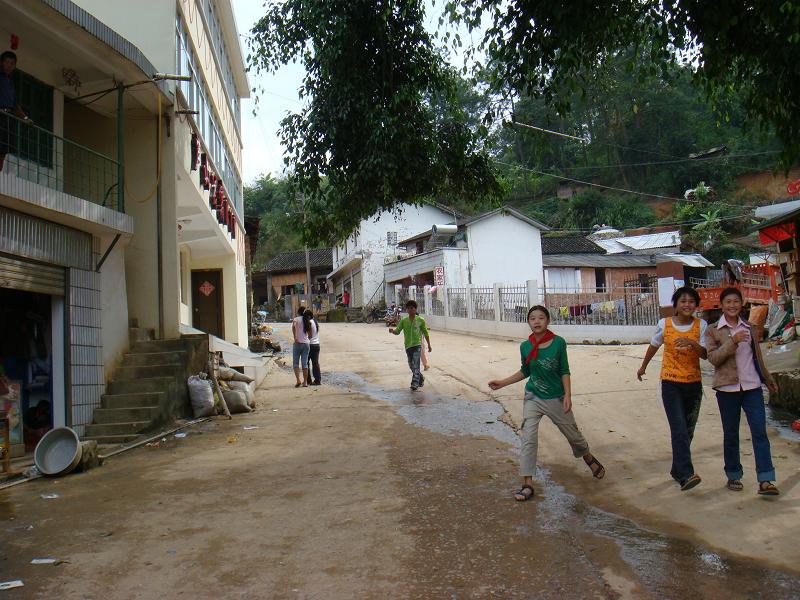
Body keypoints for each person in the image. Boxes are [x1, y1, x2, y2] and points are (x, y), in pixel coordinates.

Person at [488, 305, 605, 501]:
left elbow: (564, 370)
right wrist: (502, 383)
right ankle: (527, 484)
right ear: (528, 322)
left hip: (556, 397)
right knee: (528, 438)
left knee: (573, 435)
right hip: (533, 397)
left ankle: (588, 457)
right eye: (532, 318)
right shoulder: (525, 346)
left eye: (541, 318)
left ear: (547, 321)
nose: (537, 321)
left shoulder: (558, 343)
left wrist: (568, 395)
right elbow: (525, 371)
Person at [706, 287, 780, 496]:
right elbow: (713, 359)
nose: (732, 306)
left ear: (742, 304)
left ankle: (766, 479)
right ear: (722, 305)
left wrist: (768, 378)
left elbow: (757, 358)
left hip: (752, 387)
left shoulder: (750, 327)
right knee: (731, 434)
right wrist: (733, 342)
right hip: (727, 388)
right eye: (728, 302)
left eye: (736, 302)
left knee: (760, 432)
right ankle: (733, 474)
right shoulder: (712, 329)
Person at [637, 286, 708, 491]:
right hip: (671, 383)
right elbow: (654, 345)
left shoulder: (701, 325)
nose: (687, 305)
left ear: (696, 305)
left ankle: (677, 469)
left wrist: (691, 343)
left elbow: (704, 354)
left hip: (693, 385)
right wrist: (643, 366)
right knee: (678, 430)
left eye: (691, 301)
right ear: (676, 304)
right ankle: (686, 475)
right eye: (683, 301)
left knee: (688, 431)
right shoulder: (664, 324)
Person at [389, 300, 432, 391]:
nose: (410, 310)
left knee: (416, 364)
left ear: (415, 309)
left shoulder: (420, 320)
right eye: (408, 308)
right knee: (411, 365)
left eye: (412, 308)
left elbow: (425, 332)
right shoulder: (404, 321)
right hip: (408, 346)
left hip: (417, 345)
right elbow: (398, 331)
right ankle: (420, 377)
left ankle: (415, 383)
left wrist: (429, 345)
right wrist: (393, 331)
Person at [0, 50, 31, 173]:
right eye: (7, 62)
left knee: (3, 149)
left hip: (7, 118)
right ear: (1, 62)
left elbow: (15, 105)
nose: (9, 65)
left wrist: (25, 118)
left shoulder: (10, 82)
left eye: (12, 63)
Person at [291, 307, 312, 388]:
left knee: (296, 363)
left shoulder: (296, 319)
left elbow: (293, 327)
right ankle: (305, 382)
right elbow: (310, 335)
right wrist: (307, 339)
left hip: (297, 343)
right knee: (305, 363)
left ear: (298, 312)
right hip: (306, 344)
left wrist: (295, 337)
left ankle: (298, 380)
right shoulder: (307, 320)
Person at [305, 309, 322, 386]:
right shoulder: (315, 322)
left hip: (310, 345)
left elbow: (310, 335)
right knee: (315, 363)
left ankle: (308, 380)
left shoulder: (309, 322)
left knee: (306, 363)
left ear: (308, 316)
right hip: (316, 345)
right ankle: (317, 380)